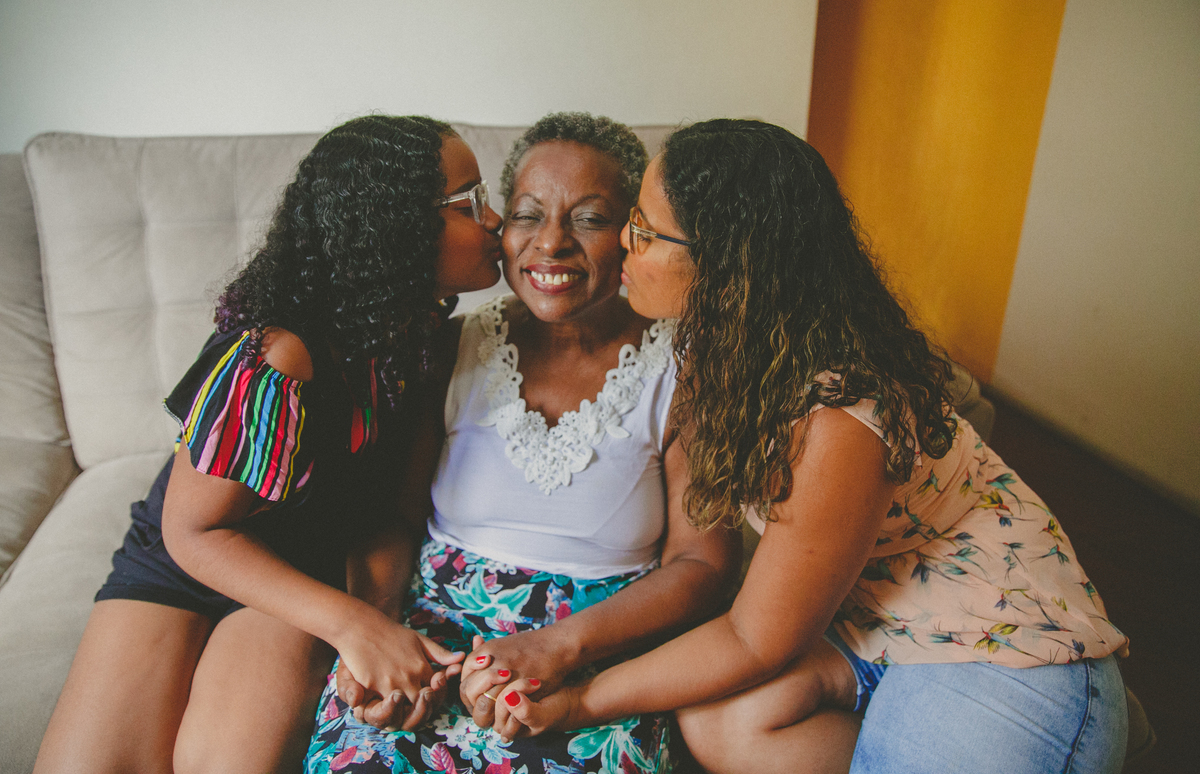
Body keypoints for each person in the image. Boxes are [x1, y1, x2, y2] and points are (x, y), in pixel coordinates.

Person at [495, 119, 1131, 774]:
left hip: (996, 648)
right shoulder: (726, 347)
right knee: (715, 721)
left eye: (646, 231)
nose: (623, 241)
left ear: (728, 267)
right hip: (870, 626)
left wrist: (581, 702)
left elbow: (753, 638)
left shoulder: (843, 414)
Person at [34, 115, 506, 774]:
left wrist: (374, 625)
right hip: (186, 561)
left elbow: (387, 514)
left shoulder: (424, 337)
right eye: (469, 202)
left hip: (304, 577)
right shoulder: (279, 355)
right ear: (396, 226)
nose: (496, 220)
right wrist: (354, 627)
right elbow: (194, 530)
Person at [304, 112, 740, 774]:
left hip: (594, 656)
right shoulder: (453, 345)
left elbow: (703, 564)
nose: (552, 242)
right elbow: (394, 518)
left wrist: (560, 648)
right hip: (435, 643)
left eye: (590, 219)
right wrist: (378, 636)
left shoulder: (685, 370)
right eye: (528, 215)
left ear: (632, 234)